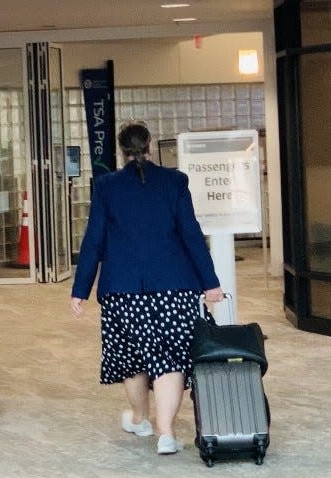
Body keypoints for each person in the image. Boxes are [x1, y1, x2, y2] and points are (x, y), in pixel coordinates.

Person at [69, 121, 224, 455]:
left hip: (123, 289)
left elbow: (93, 239)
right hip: (174, 286)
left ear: (121, 151)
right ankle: (165, 432)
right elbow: (191, 234)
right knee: (170, 357)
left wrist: (80, 289)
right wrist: (210, 283)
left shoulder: (107, 186)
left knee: (132, 357)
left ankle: (140, 418)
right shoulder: (175, 181)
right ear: (150, 146)